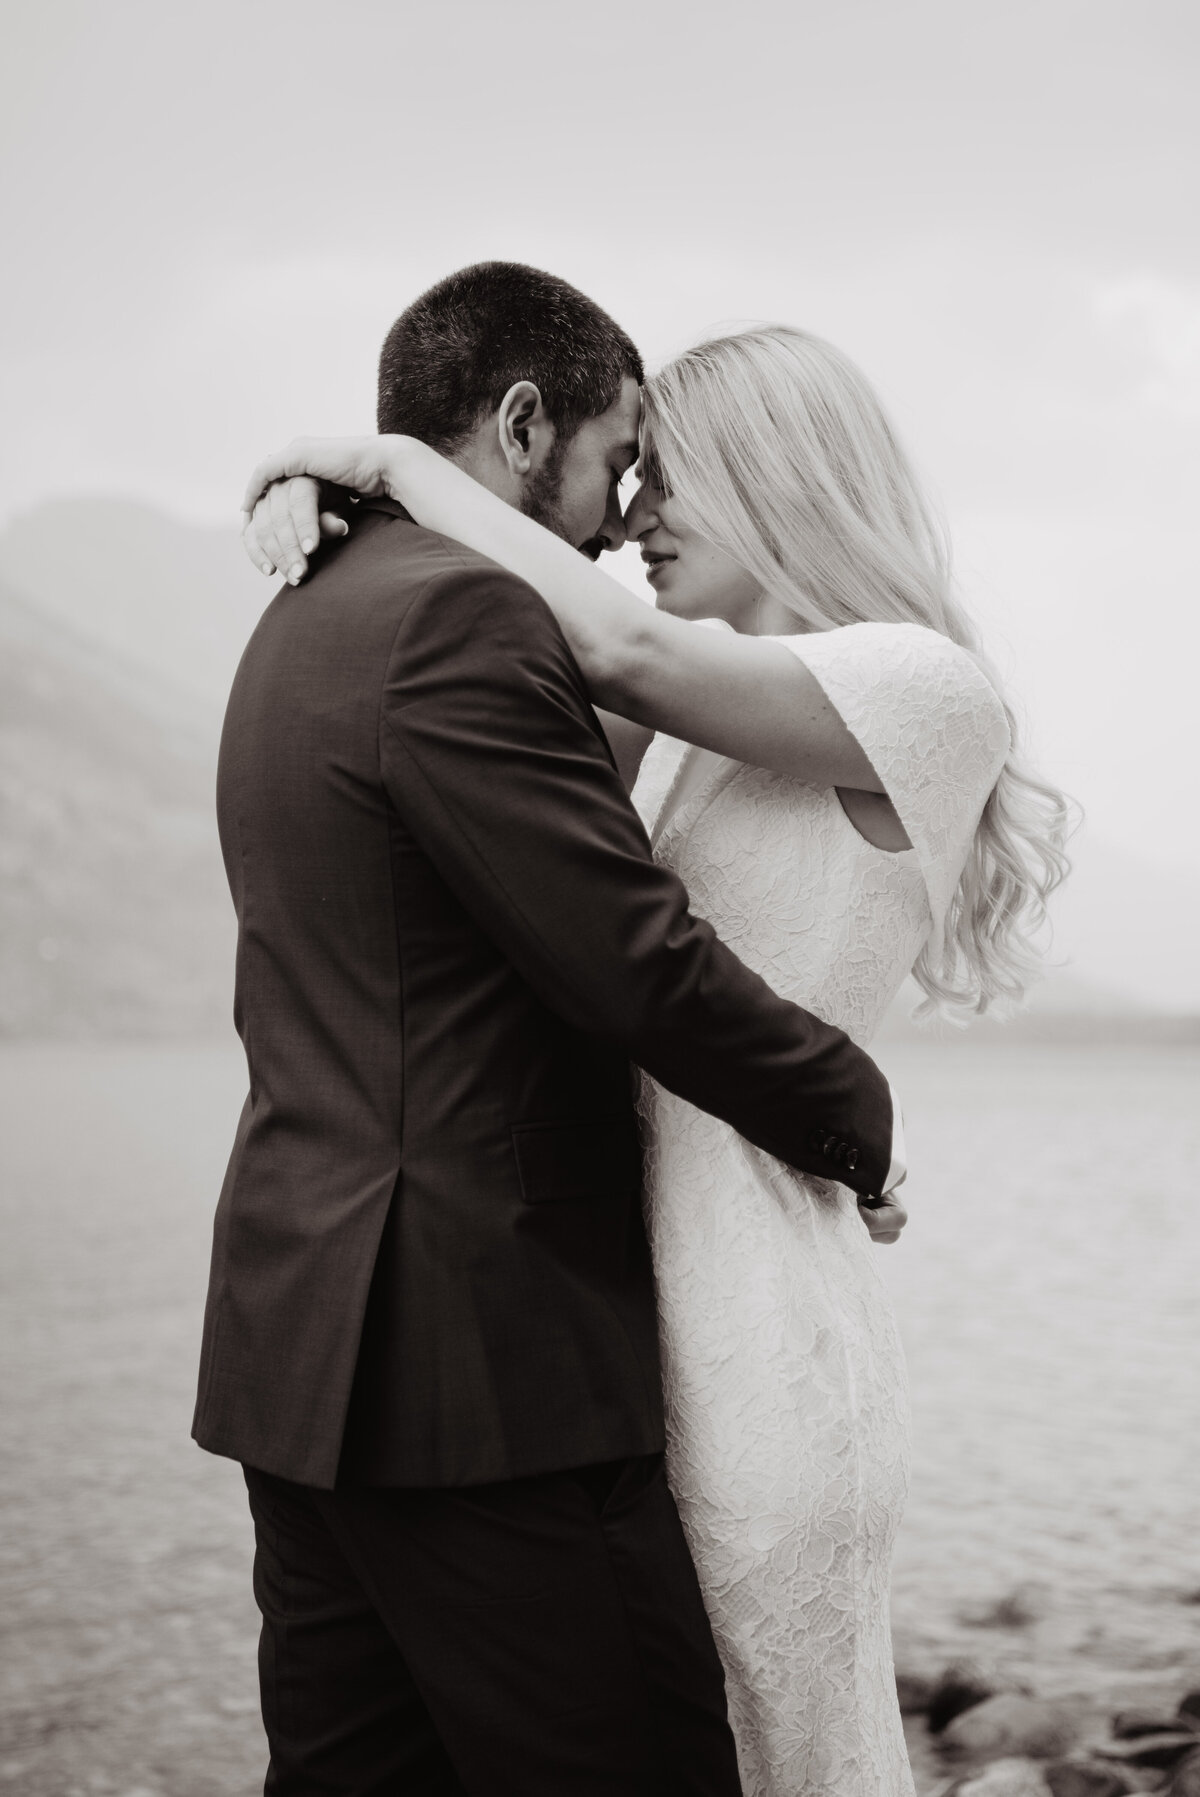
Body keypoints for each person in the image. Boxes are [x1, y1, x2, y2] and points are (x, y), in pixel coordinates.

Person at [243, 315, 1070, 1796]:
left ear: (778, 477)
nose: (631, 518)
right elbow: (523, 739)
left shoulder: (927, 688)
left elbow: (611, 640)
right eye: (632, 476)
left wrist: (387, 465)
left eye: (667, 475)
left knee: (774, 1755)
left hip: (753, 1324)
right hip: (606, 1328)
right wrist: (350, 522)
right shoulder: (684, 727)